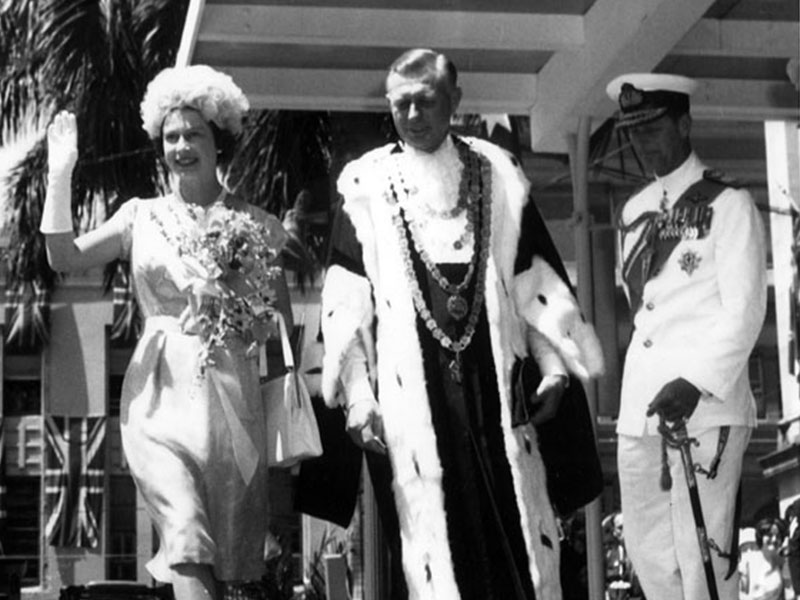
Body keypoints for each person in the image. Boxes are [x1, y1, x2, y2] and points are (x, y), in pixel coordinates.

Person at [320, 48, 604, 599]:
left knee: (514, 552)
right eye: (399, 104)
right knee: (432, 557)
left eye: (424, 101)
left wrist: (553, 368)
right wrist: (358, 396)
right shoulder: (365, 187)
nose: (412, 115)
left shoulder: (498, 174)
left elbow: (534, 278)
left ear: (455, 100)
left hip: (494, 391)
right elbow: (346, 305)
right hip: (412, 403)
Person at [40, 65, 292, 600]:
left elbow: (280, 334)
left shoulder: (261, 226)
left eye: (193, 133)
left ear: (218, 141)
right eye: (170, 136)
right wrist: (59, 177)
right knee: (184, 531)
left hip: (232, 405)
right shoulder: (140, 217)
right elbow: (63, 257)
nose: (180, 146)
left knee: (227, 567)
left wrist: (237, 304)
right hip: (157, 397)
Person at [608, 72, 768, 600]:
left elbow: (744, 313)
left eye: (653, 128)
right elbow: (642, 315)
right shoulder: (632, 213)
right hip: (643, 408)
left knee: (703, 555)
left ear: (684, 123)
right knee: (650, 558)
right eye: (634, 131)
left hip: (703, 405)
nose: (641, 141)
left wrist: (694, 382)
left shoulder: (729, 206)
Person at [739, 518, 787, 600]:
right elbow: (738, 593)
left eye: (778, 536)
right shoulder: (749, 561)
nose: (774, 539)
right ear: (761, 537)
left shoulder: (783, 563)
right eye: (770, 535)